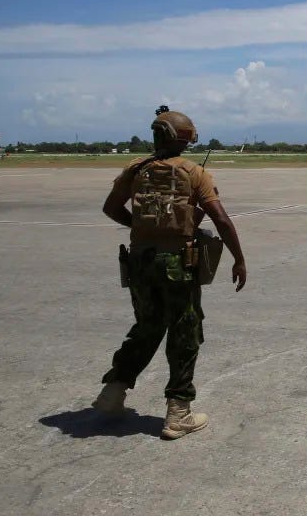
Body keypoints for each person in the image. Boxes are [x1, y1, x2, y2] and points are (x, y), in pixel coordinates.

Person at [92, 106, 247, 440]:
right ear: (185, 138)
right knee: (184, 332)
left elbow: (110, 208)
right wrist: (239, 259)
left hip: (140, 262)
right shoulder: (194, 173)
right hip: (177, 263)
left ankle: (113, 391)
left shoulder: (136, 169)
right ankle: (179, 411)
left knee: (147, 326)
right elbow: (219, 218)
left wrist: (142, 226)